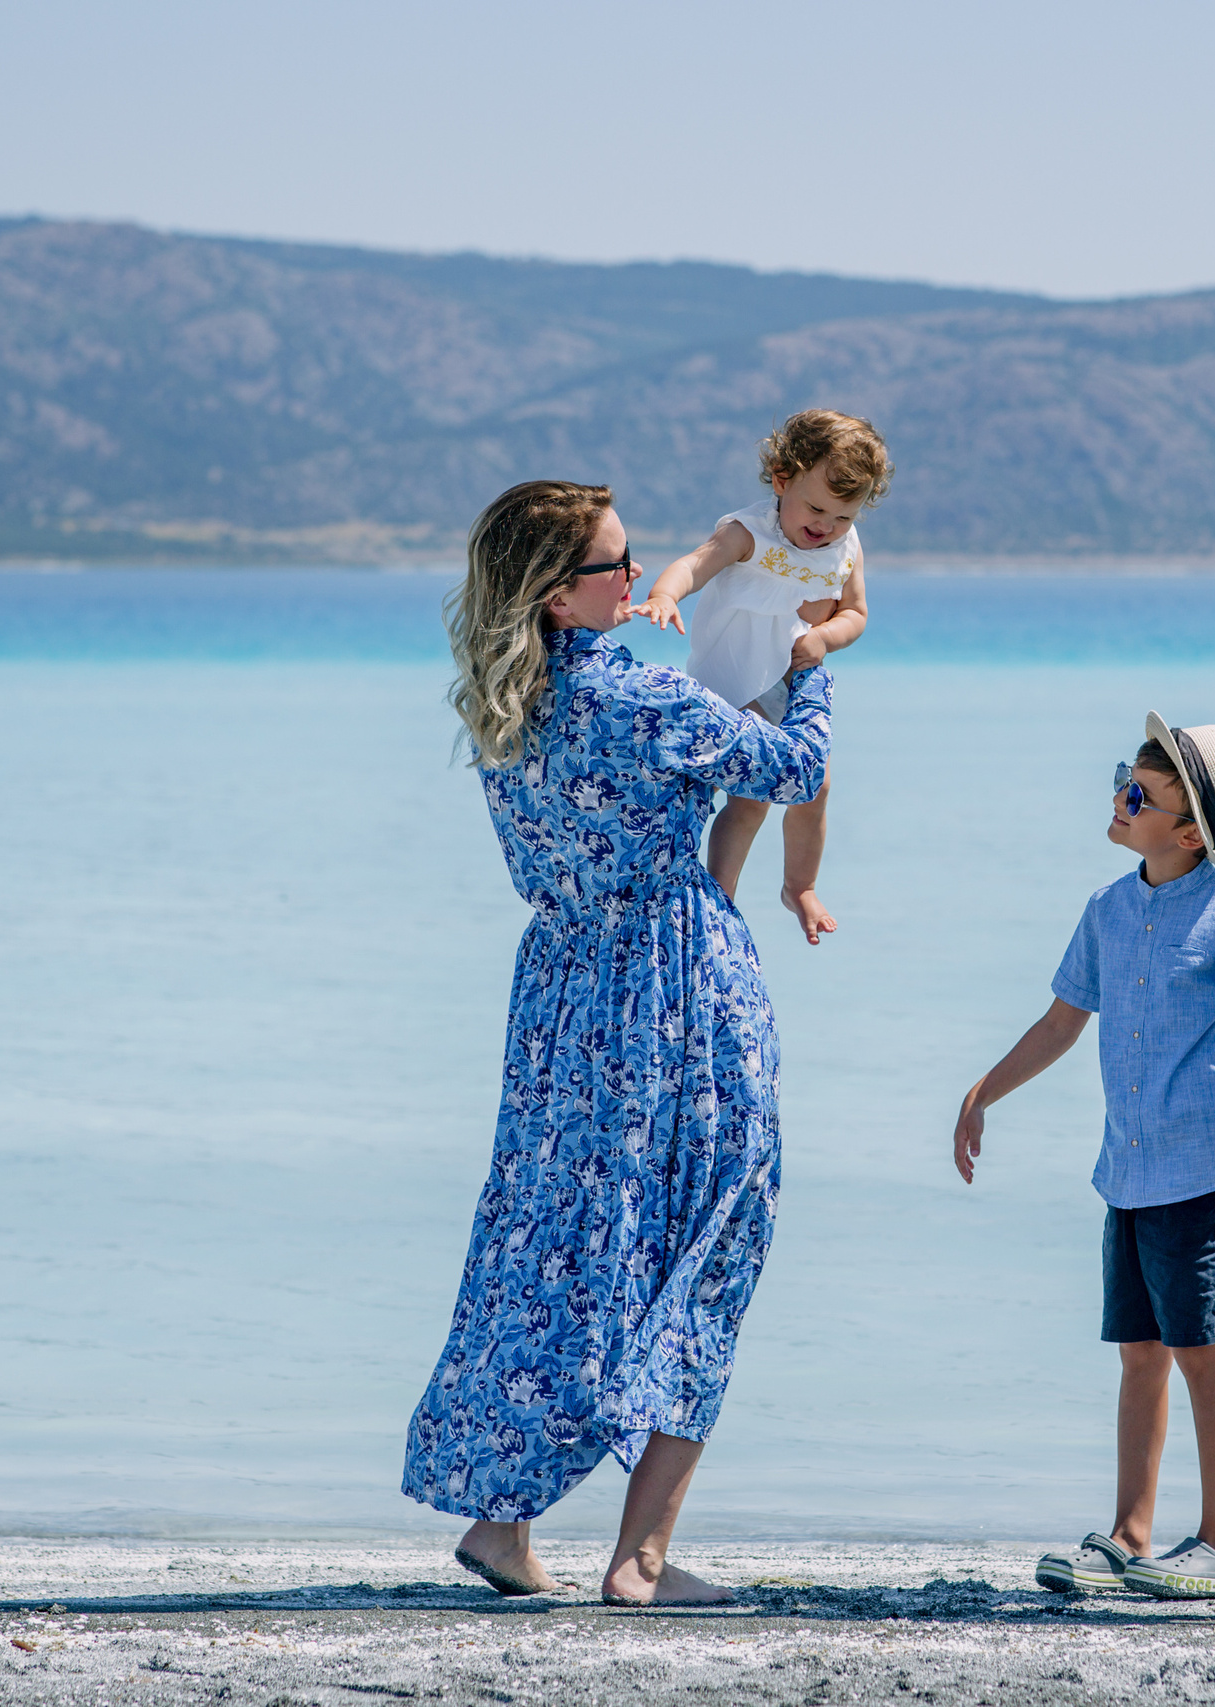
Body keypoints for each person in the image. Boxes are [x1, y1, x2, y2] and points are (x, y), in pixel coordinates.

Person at [400, 479, 831, 1607]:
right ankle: (638, 1558)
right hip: (672, 978)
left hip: (558, 995)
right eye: (613, 566)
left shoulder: (504, 707)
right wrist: (813, 664)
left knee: (561, 1247)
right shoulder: (633, 699)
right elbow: (793, 770)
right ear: (553, 592)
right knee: (719, 1224)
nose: (634, 581)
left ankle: (503, 1528)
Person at [953, 714, 1215, 1601]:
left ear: (1188, 831)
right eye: (1122, 781)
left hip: (1204, 1172)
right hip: (1126, 1173)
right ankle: (1131, 1533)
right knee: (1139, 1354)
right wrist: (984, 1091)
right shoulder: (1107, 909)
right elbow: (1063, 1019)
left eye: (1142, 793)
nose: (1121, 800)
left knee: (1200, 1351)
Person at [632, 409, 888, 947]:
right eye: (816, 508)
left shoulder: (846, 546)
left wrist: (825, 638)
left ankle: (800, 886)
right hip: (734, 680)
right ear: (782, 479)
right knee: (750, 799)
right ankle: (720, 897)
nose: (827, 527)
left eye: (844, 516)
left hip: (791, 682)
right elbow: (696, 564)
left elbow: (857, 613)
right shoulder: (749, 533)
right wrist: (664, 595)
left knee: (814, 785)